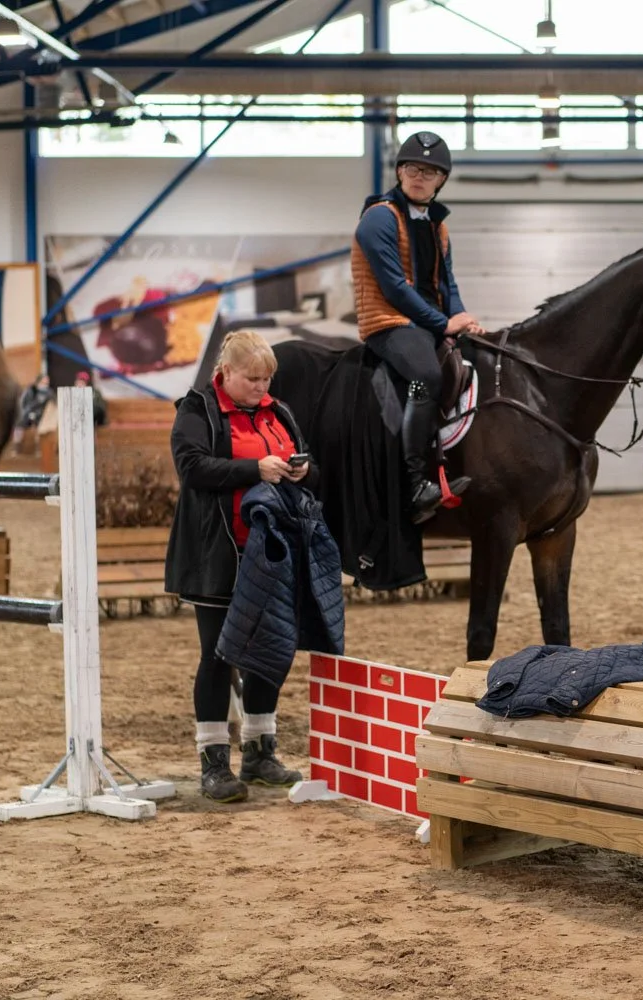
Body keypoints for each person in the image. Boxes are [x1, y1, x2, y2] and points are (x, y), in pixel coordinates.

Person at [164, 331, 314, 803]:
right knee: (218, 656)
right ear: (224, 373)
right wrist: (255, 470)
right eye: (252, 378)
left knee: (272, 651)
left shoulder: (278, 410)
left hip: (271, 554)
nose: (261, 386)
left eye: (267, 378)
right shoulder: (196, 410)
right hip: (216, 554)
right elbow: (192, 469)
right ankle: (213, 763)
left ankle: (260, 752)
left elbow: (303, 459)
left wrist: (302, 469)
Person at [351, 130, 478, 524]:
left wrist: (463, 319)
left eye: (429, 171)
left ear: (441, 179)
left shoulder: (437, 226)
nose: (419, 176)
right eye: (411, 168)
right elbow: (395, 288)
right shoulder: (378, 219)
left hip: (429, 322)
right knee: (425, 375)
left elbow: (447, 284)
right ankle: (415, 482)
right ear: (400, 172)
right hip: (390, 322)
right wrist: (444, 323)